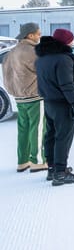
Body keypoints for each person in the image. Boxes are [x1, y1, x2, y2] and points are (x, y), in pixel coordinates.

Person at [35, 28, 74, 186]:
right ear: (66, 42)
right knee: (63, 137)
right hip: (63, 104)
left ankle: (52, 169)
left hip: (49, 103)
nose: (73, 43)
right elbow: (67, 84)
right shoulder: (63, 59)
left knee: (51, 135)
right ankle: (61, 174)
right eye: (71, 40)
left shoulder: (42, 58)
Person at [2, 22, 47, 173]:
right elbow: (43, 71)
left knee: (23, 129)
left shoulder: (12, 52)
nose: (40, 36)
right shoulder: (33, 51)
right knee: (38, 128)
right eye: (38, 33)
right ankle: (37, 161)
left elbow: (6, 75)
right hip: (34, 96)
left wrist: (14, 91)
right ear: (30, 35)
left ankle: (22, 161)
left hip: (19, 97)